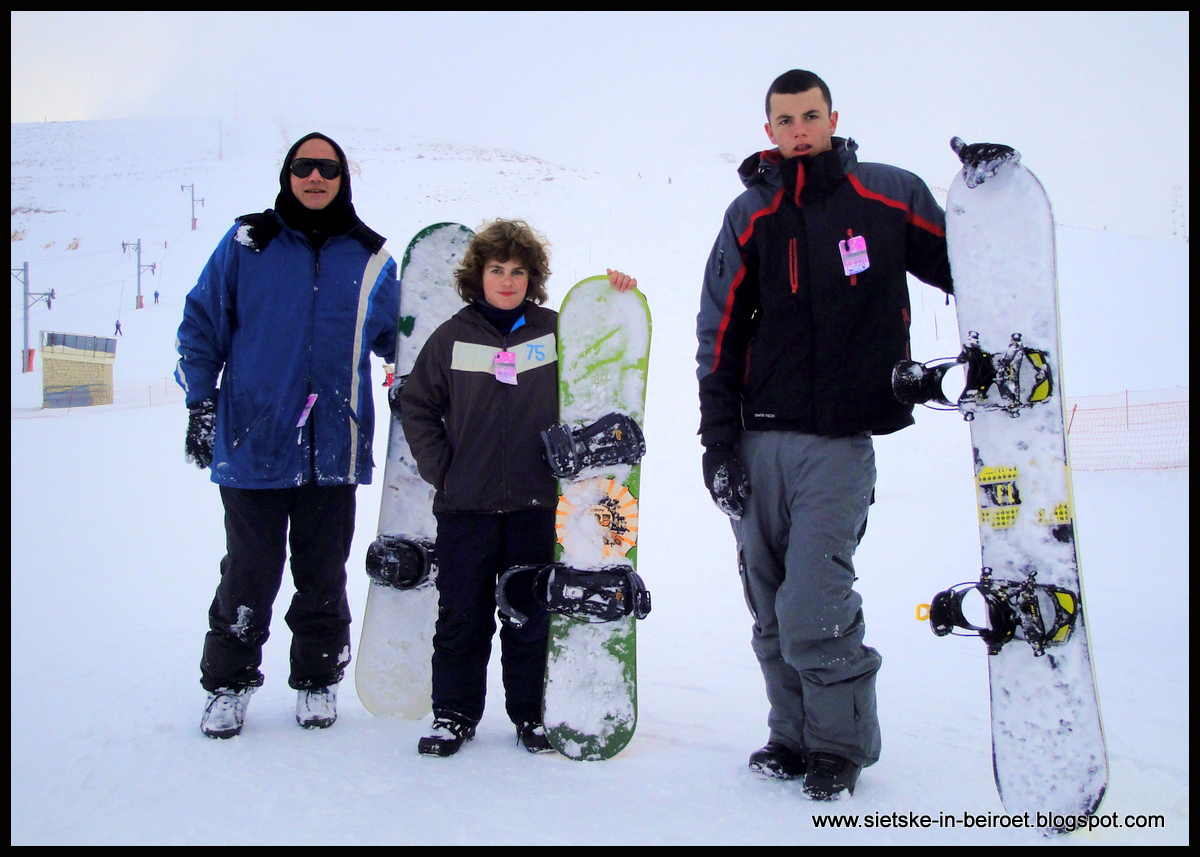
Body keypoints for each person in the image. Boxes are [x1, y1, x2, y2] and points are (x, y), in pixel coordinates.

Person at [695, 70, 953, 799]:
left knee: (815, 598)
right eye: (786, 119)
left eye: (811, 115)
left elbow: (965, 263)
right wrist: (718, 445)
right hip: (756, 437)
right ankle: (793, 733)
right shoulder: (749, 213)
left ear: (833, 117)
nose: (800, 128)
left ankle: (840, 743)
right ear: (769, 129)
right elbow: (717, 333)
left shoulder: (887, 193)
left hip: (839, 442)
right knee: (769, 599)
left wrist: (991, 204)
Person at [175, 132, 399, 739]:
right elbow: (201, 324)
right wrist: (201, 402)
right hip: (256, 441)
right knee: (250, 570)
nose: (315, 177)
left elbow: (404, 340)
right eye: (304, 166)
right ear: (288, 174)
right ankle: (230, 684)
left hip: (335, 445)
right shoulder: (249, 243)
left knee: (323, 572)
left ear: (343, 177)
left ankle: (317, 679)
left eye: (327, 167)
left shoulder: (373, 259)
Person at [400, 219, 636, 757]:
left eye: (518, 271)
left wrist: (616, 295)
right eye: (496, 270)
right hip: (466, 507)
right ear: (477, 276)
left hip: (535, 504)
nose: (507, 281)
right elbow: (417, 404)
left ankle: (532, 715)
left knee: (529, 615)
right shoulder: (453, 336)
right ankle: (453, 715)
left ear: (533, 278)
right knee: (462, 613)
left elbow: (604, 350)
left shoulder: (555, 333)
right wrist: (444, 469)